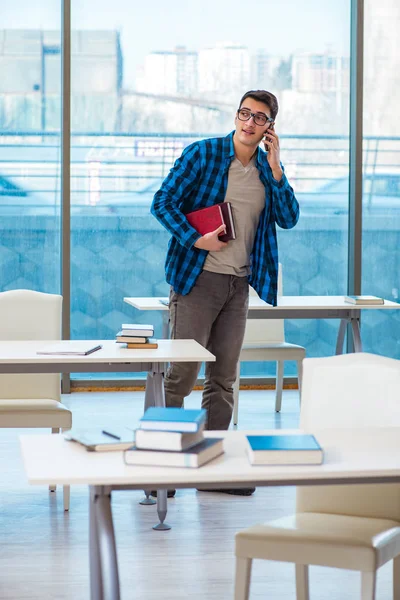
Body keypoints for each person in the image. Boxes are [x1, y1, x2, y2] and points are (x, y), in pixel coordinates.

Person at [151, 90, 299, 496]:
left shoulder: (269, 170)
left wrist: (276, 167)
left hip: (239, 285)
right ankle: (161, 471)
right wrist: (196, 239)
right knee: (180, 376)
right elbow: (161, 202)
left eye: (260, 118)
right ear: (236, 116)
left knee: (223, 380)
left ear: (271, 127)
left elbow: (288, 218)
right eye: (244, 114)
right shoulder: (204, 154)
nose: (249, 123)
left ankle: (213, 469)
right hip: (198, 279)